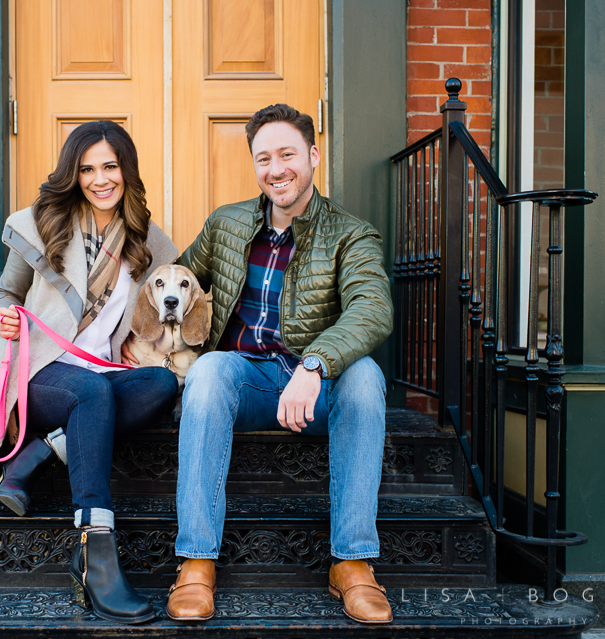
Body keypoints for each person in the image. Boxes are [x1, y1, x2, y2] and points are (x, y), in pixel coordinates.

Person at [0, 121, 179, 625]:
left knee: (162, 383)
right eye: (87, 169)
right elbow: (4, 294)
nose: (100, 179)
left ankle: (40, 452)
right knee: (91, 394)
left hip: (97, 370)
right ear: (73, 174)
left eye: (109, 167)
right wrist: (6, 316)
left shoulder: (145, 239)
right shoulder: (44, 222)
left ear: (126, 170)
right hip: (38, 369)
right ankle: (95, 549)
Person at [156, 104, 394, 624]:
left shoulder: (352, 235)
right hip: (250, 383)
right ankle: (196, 562)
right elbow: (176, 279)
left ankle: (351, 563)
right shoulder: (227, 223)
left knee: (366, 377)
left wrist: (314, 365)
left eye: (287, 154)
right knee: (208, 371)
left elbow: (372, 310)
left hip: (317, 390)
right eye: (263, 158)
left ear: (312, 155)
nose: (276, 168)